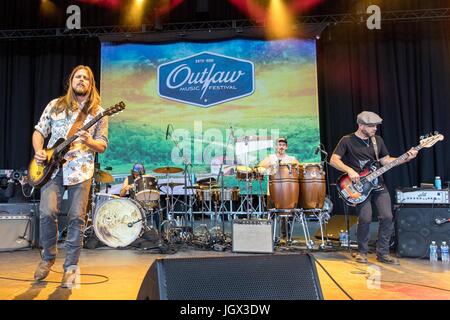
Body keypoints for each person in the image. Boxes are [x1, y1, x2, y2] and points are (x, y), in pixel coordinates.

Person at [32, 65, 108, 287]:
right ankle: (48, 257)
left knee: (76, 218)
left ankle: (70, 268)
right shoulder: (55, 106)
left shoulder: (99, 113)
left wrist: (89, 141)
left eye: (86, 78)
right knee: (47, 213)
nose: (81, 80)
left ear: (91, 84)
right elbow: (39, 131)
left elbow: (102, 145)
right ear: (71, 81)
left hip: (81, 170)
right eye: (78, 77)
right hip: (53, 169)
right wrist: (39, 150)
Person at [330, 111, 417, 265]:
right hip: (358, 187)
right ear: (361, 125)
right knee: (365, 218)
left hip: (378, 184)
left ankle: (382, 253)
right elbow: (333, 160)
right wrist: (349, 170)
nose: (375, 128)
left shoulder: (377, 141)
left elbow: (386, 161)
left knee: (387, 217)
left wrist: (405, 158)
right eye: (371, 126)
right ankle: (362, 252)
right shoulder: (347, 140)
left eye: (376, 126)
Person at [258, 137, 301, 242]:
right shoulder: (270, 158)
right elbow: (259, 167)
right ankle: (269, 238)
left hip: (287, 193)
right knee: (271, 213)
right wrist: (269, 168)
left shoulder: (291, 159)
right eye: (279, 144)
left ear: (286, 147)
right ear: (276, 146)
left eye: (283, 145)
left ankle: (286, 237)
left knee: (287, 215)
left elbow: (299, 167)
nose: (281, 146)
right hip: (272, 191)